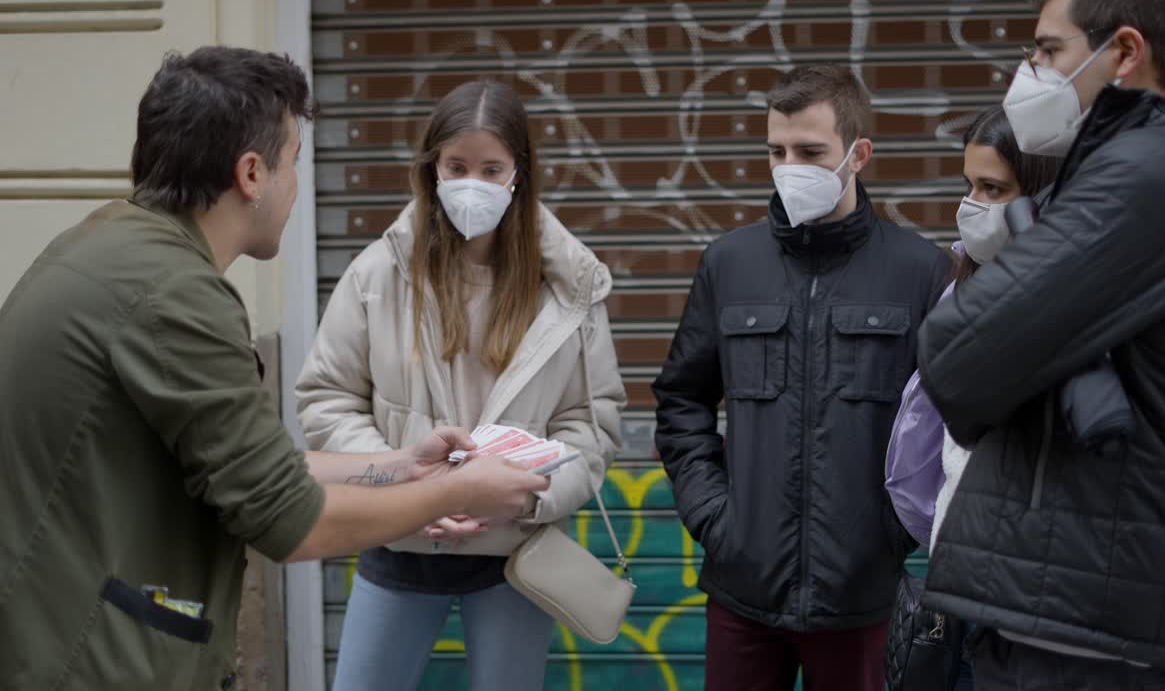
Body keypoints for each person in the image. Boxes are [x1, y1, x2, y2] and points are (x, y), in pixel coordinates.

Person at [0, 48, 551, 689]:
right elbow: (289, 520)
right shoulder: (174, 296)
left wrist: (402, 465)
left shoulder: (109, 244)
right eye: (294, 162)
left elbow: (256, 468)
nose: (296, 186)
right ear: (252, 174)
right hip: (83, 658)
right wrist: (457, 491)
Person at [916, 0, 1165, 688]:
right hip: (1091, 621)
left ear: (1125, 53)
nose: (1031, 72)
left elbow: (955, 352)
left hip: (1092, 644)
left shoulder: (1152, 176)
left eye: (1050, 50)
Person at [295, 79, 626, 691]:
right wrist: (411, 484)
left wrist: (524, 497)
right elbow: (327, 400)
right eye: (456, 167)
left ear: (519, 173)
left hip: (516, 557)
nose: (473, 183)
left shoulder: (569, 286)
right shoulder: (379, 273)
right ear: (433, 169)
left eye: (491, 169)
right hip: (398, 540)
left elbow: (592, 426)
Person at [653, 64, 953, 691]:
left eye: (811, 152)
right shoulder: (729, 263)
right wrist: (716, 518)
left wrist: (894, 531)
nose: (790, 167)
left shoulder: (921, 271)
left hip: (862, 599)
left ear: (858, 154)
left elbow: (948, 422)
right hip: (743, 592)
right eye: (777, 151)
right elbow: (681, 400)